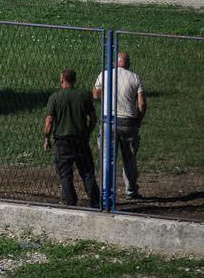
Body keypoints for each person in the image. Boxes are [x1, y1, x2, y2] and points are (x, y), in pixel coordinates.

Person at [44, 68, 100, 208]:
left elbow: (49, 120)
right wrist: (87, 132)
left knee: (65, 173)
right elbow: (93, 118)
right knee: (87, 172)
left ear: (62, 80)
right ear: (74, 80)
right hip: (81, 139)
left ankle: (70, 202)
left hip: (63, 141)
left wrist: (47, 138)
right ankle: (95, 201)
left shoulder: (55, 97)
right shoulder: (84, 96)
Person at [94, 52, 147, 199]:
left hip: (107, 121)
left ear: (116, 62)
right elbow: (142, 104)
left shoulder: (104, 74)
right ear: (127, 62)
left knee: (107, 158)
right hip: (128, 122)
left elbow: (95, 95)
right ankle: (131, 191)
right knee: (129, 158)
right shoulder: (134, 77)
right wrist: (139, 120)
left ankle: (106, 193)